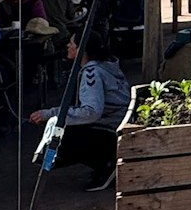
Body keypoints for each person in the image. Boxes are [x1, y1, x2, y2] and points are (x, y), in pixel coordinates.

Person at [26, 33, 131, 191]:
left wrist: (52, 115)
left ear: (82, 49)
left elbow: (91, 112)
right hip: (119, 122)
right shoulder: (106, 66)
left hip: (112, 128)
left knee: (62, 133)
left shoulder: (92, 73)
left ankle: (107, 164)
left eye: (72, 43)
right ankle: (104, 163)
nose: (68, 46)